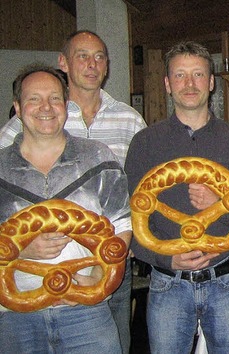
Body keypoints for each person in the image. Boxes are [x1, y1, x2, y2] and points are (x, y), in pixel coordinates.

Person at [0, 30, 146, 353]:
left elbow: (122, 221)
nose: (45, 108)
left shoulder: (98, 156)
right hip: (16, 312)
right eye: (33, 100)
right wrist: (21, 249)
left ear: (66, 104)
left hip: (87, 311)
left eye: (54, 99)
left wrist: (99, 271)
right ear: (17, 107)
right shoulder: (1, 164)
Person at [124, 41, 229, 354]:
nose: (189, 83)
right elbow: (129, 219)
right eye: (181, 76)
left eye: (198, 74)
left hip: (226, 280)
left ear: (211, 83)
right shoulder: (145, 142)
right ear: (168, 84)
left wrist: (221, 204)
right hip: (167, 282)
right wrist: (165, 257)